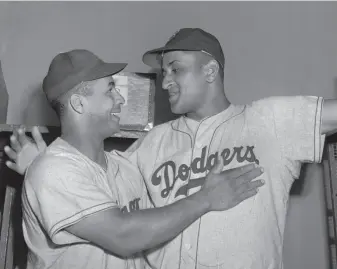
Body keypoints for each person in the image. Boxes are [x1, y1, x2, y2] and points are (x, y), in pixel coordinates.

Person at [5, 28, 336, 269]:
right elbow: (108, 209)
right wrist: (40, 168)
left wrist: (39, 166)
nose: (163, 82)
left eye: (175, 69)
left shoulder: (269, 120)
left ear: (210, 70)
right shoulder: (151, 143)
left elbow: (95, 173)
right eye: (163, 73)